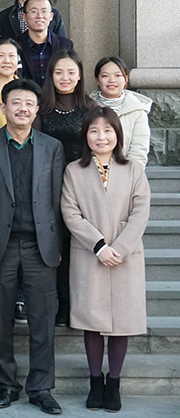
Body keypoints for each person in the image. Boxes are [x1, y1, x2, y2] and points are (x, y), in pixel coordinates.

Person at [0, 79, 66, 415]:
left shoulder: (51, 147)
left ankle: (41, 387)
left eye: (29, 103)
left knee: (42, 320)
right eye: (16, 103)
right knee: (1, 319)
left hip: (40, 245)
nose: (22, 109)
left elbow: (57, 200)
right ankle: (6, 384)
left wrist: (57, 243)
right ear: (3, 108)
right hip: (1, 245)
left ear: (37, 109)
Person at [61, 107, 150, 413]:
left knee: (121, 322)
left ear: (118, 135)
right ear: (85, 135)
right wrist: (98, 245)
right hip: (90, 255)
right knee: (93, 320)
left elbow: (141, 211)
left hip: (126, 257)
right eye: (94, 130)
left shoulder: (133, 169)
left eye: (108, 130)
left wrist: (120, 247)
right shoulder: (74, 171)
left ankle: (114, 382)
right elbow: (70, 212)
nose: (101, 137)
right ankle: (95, 381)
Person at [35, 50, 94, 326]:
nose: (65, 78)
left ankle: (80, 304)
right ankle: (61, 304)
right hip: (49, 185)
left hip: (82, 185)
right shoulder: (41, 108)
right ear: (50, 75)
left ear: (79, 75)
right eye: (59, 72)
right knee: (57, 245)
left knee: (79, 246)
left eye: (71, 72)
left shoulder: (90, 108)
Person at [90, 56, 152, 165]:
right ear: (97, 80)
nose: (112, 80)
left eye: (118, 75)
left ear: (126, 79)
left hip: (126, 171)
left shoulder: (137, 110)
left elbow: (139, 150)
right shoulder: (87, 107)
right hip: (91, 170)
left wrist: (129, 173)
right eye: (105, 76)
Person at [16, 0, 74, 87]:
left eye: (44, 11)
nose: (39, 16)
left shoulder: (65, 45)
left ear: (51, 16)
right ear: (24, 17)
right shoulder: (15, 45)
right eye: (34, 11)